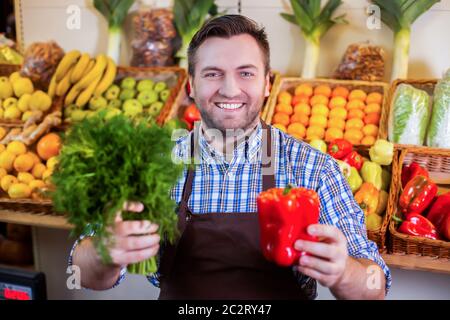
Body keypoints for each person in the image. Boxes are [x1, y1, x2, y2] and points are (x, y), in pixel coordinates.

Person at [70, 14, 391, 300]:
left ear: (267, 83)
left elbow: (375, 285)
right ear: (191, 85)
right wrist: (105, 253)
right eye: (212, 74)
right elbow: (80, 272)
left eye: (246, 74)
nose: (229, 89)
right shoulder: (151, 164)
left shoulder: (312, 168)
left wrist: (344, 272)